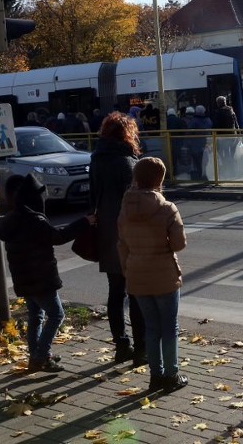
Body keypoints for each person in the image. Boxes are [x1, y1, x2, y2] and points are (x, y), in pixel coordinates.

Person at [0, 174, 94, 373]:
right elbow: (58, 237)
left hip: (24, 279)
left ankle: (36, 355)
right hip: (41, 279)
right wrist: (84, 222)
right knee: (57, 315)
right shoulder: (34, 220)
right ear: (34, 198)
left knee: (36, 316)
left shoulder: (12, 219)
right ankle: (41, 356)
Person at [117, 157, 188, 393]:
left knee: (151, 327)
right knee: (169, 328)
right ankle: (172, 374)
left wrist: (128, 270)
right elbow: (179, 244)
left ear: (136, 177)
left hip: (137, 275)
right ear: (160, 179)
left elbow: (122, 244)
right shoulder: (167, 208)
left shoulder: (125, 208)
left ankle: (155, 376)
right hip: (164, 275)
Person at [89, 112, 147, 366]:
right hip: (129, 234)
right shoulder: (128, 162)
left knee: (115, 292)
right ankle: (141, 349)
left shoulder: (97, 159)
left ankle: (121, 345)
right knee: (135, 293)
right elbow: (138, 202)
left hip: (107, 231)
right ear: (127, 134)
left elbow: (93, 197)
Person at [211, 96, 239, 175]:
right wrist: (239, 134)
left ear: (218, 103)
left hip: (223, 136)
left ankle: (227, 171)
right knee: (231, 153)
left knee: (225, 154)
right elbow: (236, 123)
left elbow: (216, 125)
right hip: (233, 136)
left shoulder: (218, 112)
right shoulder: (231, 110)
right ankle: (233, 171)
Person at [187, 105, 213, 180]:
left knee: (197, 160)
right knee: (206, 160)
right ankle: (205, 174)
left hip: (196, 143)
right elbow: (210, 126)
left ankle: (200, 174)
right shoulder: (208, 119)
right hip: (207, 142)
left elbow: (189, 131)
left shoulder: (194, 120)